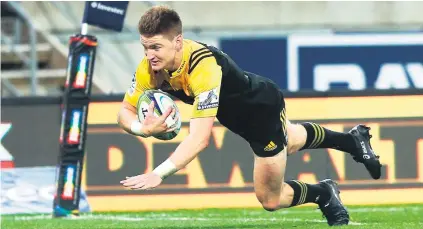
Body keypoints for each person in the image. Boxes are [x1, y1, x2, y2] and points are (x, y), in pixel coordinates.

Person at [118, 5, 381, 226]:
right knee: (292, 139)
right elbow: (125, 112)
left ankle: (323, 193)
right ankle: (352, 141)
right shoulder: (149, 69)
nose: (149, 55)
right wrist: (143, 129)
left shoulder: (203, 67)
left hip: (260, 112)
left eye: (155, 47)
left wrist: (159, 173)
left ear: (177, 42)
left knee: (270, 199)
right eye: (145, 47)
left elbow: (199, 139)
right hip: (237, 115)